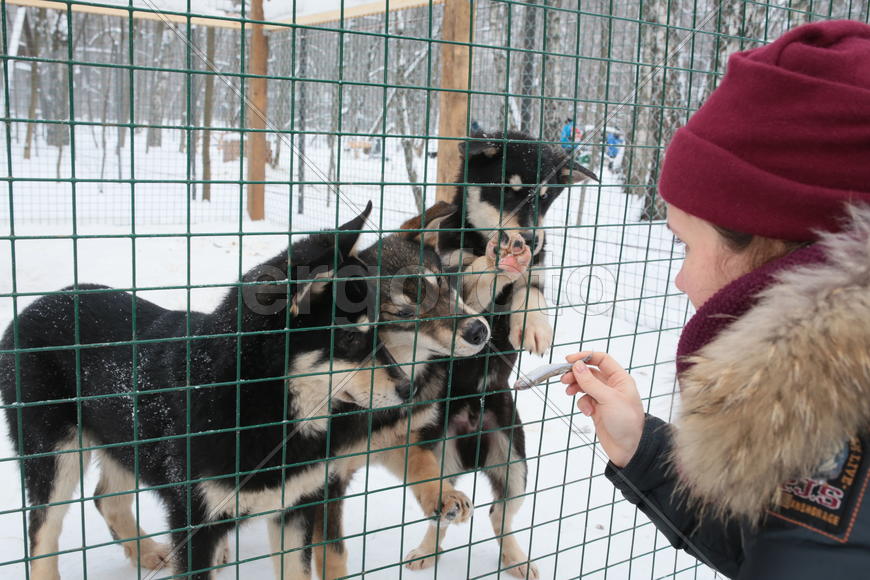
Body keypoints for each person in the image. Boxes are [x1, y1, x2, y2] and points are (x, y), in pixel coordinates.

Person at [560, 20, 870, 579]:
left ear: (769, 244)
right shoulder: (826, 403)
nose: (680, 279)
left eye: (685, 244)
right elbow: (773, 543)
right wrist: (644, 451)